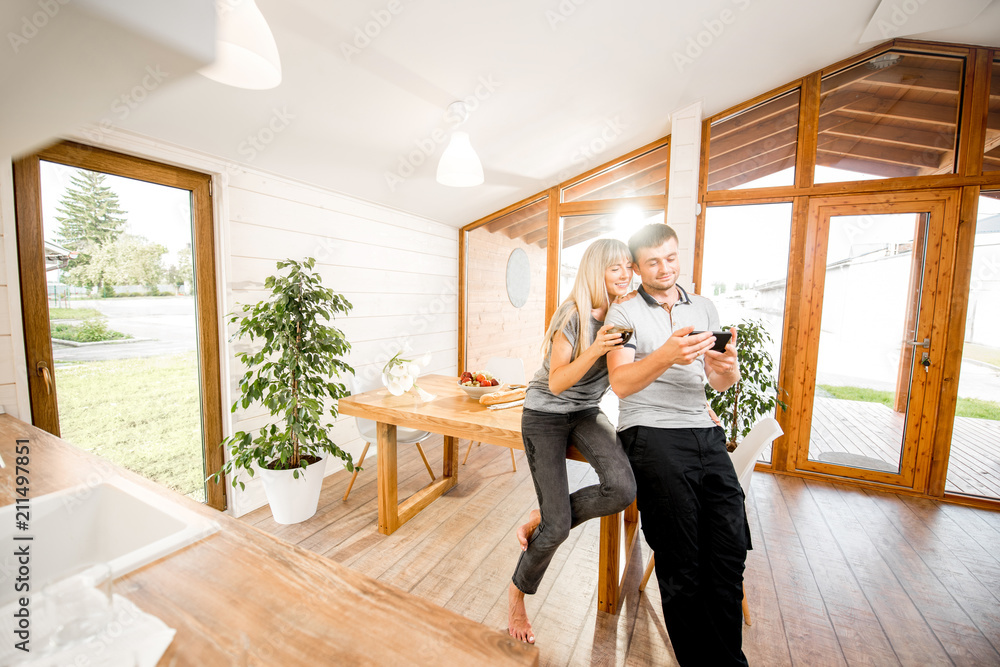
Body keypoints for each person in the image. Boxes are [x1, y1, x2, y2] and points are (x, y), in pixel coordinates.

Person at [605, 223, 747, 667]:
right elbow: (621, 384)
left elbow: (719, 382)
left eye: (671, 257)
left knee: (728, 553)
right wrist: (667, 353)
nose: (665, 269)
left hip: (703, 432)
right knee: (680, 562)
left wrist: (728, 366)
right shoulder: (622, 314)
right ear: (637, 267)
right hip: (651, 434)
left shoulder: (703, 306)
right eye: (652, 262)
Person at [508, 239, 638, 645]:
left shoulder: (625, 315)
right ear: (596, 271)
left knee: (622, 488)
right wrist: (597, 348)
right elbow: (558, 380)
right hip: (545, 412)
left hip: (585, 412)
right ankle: (517, 595)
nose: (626, 275)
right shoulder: (574, 315)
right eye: (615, 268)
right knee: (559, 528)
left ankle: (544, 516)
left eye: (628, 268)